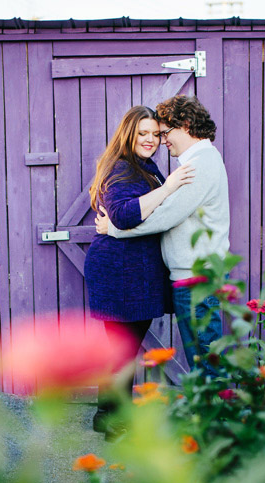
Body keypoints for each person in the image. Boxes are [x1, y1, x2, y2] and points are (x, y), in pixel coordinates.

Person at [96, 95, 230, 376]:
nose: (162, 141)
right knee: (202, 354)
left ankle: (212, 418)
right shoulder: (194, 162)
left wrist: (115, 229)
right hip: (190, 277)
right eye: (151, 134)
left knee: (204, 357)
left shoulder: (200, 165)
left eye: (163, 133)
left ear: (187, 125)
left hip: (197, 279)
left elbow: (167, 215)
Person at [84, 105, 195, 435]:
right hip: (120, 272)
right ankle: (115, 422)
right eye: (142, 133)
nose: (150, 140)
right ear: (128, 134)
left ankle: (107, 415)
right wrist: (171, 185)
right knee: (123, 349)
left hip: (132, 271)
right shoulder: (123, 169)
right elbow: (124, 214)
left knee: (121, 348)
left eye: (155, 134)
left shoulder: (142, 166)